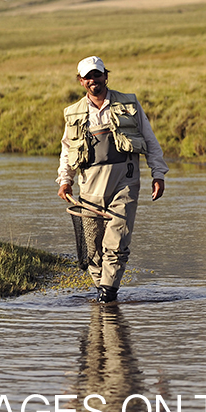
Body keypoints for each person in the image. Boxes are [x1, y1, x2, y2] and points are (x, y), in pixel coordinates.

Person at [57, 56, 168, 302]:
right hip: (89, 185)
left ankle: (108, 293)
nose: (93, 81)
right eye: (88, 77)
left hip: (125, 181)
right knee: (93, 248)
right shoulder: (73, 112)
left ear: (105, 76)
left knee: (116, 241)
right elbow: (67, 150)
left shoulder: (129, 103)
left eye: (97, 75)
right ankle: (103, 292)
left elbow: (150, 140)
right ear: (81, 81)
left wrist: (157, 174)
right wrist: (65, 181)